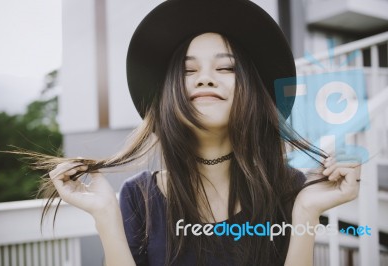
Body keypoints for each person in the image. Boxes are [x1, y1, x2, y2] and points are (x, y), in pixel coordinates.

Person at [32, 0, 361, 265]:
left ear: (252, 90)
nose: (204, 78)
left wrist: (307, 212)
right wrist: (105, 216)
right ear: (170, 94)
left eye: (226, 68)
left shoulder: (290, 189)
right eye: (188, 71)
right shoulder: (139, 197)